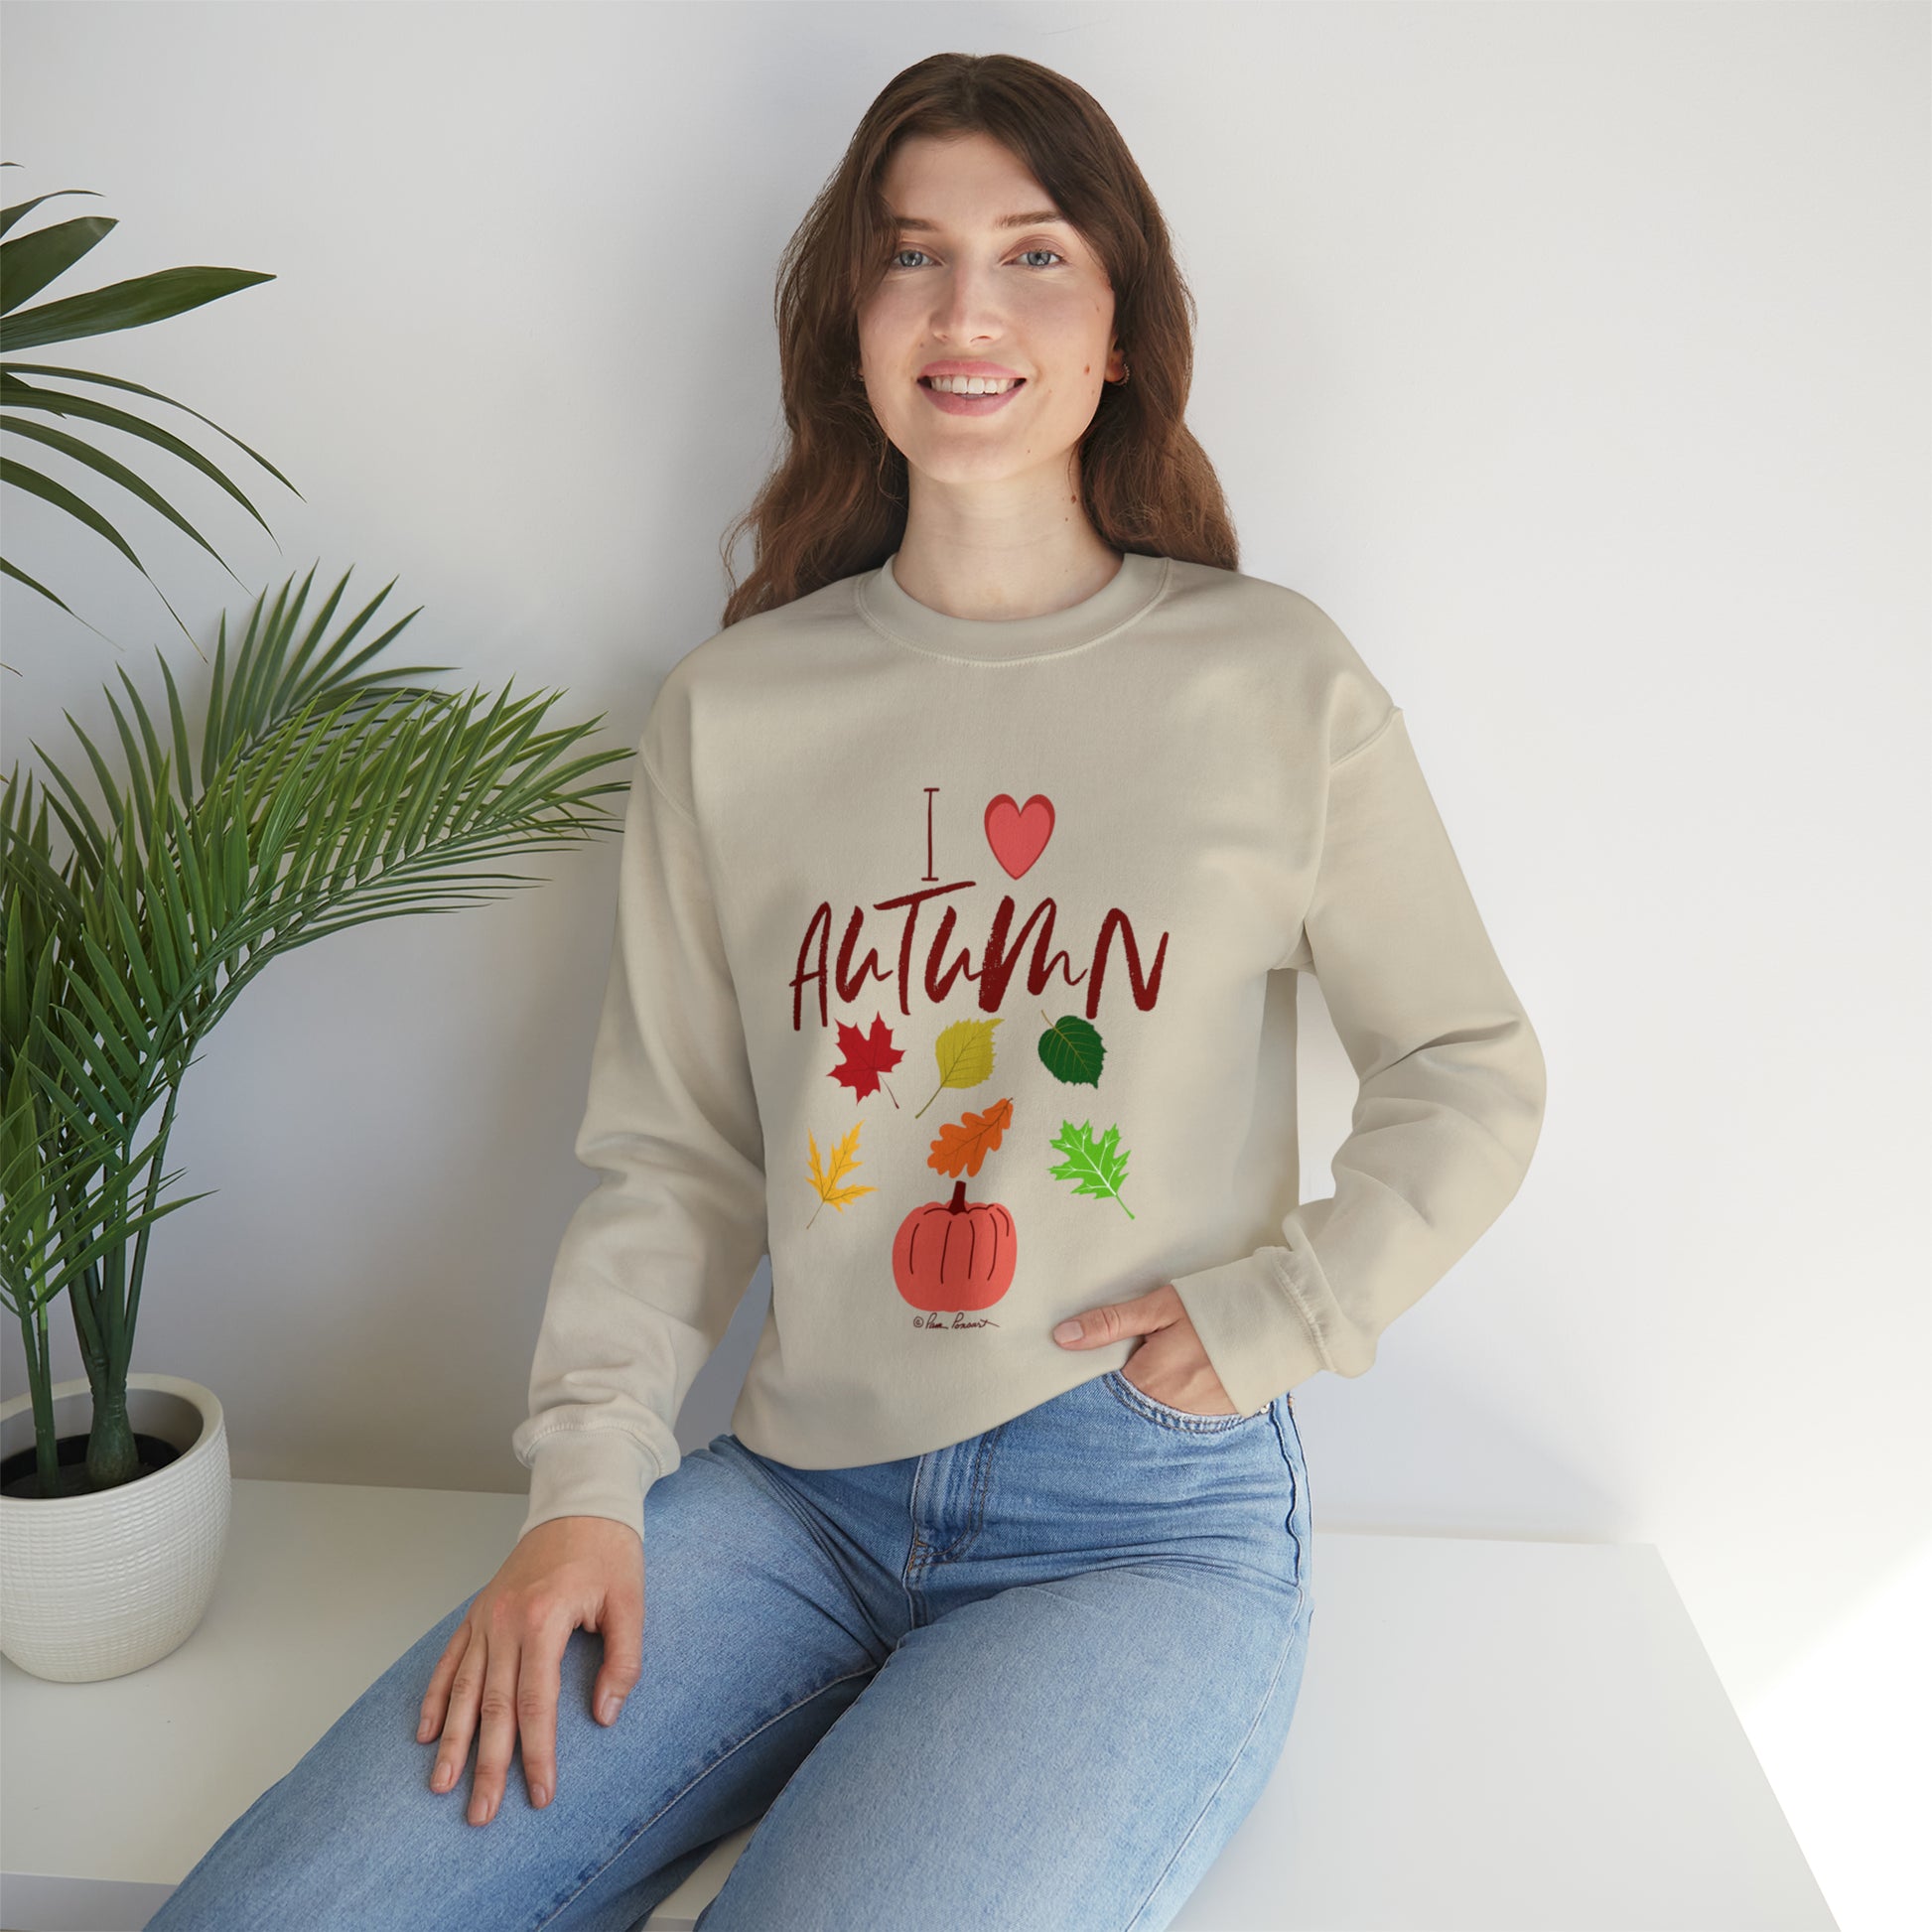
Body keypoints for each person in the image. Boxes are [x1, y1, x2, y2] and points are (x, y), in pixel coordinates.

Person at [147, 50, 1546, 1932]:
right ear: (853, 322)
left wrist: (1291, 1301)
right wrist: (584, 1485)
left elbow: (1466, 1062)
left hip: (1134, 1522)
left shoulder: (1270, 681)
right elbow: (677, 1159)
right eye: (911, 258)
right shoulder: (736, 710)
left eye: (1033, 255)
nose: (967, 311)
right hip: (792, 1496)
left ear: (1120, 323)